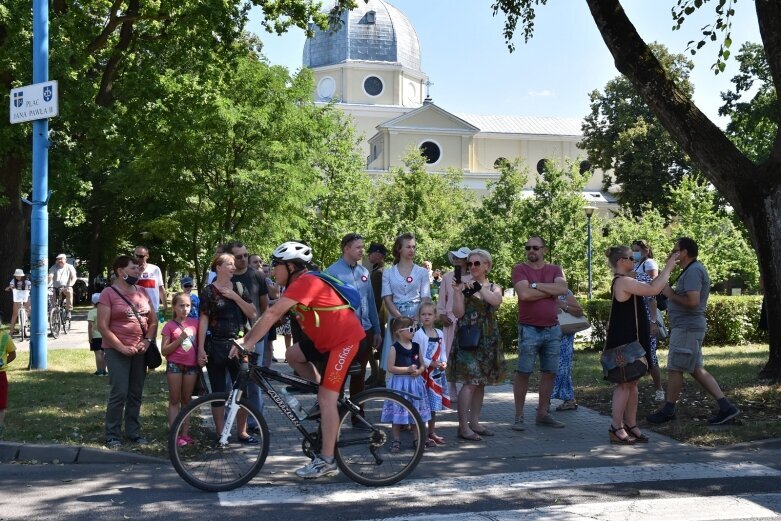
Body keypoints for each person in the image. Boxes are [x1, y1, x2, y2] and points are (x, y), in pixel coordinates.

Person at [235, 241, 365, 479]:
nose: (272, 270)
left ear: (292, 266)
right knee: (293, 356)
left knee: (327, 398)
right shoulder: (296, 283)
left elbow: (274, 313)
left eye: (276, 265)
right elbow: (272, 314)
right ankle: (325, 398)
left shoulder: (306, 282)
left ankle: (327, 460)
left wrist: (247, 343)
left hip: (343, 341)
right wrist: (249, 337)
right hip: (324, 341)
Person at [647, 237, 741, 425]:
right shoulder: (689, 271)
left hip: (687, 327)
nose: (671, 253)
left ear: (684, 253)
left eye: (675, 250)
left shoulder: (693, 272)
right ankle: (726, 407)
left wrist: (671, 294)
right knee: (696, 369)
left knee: (675, 368)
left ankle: (668, 409)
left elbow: (693, 302)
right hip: (686, 327)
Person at [604, 246, 677, 444]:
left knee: (633, 383)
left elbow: (651, 287)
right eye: (630, 258)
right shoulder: (623, 281)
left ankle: (631, 424)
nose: (634, 260)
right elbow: (653, 289)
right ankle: (616, 427)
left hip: (633, 340)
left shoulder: (628, 279)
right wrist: (669, 266)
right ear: (621, 261)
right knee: (624, 384)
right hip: (625, 342)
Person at [98, 255, 159, 450]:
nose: (138, 271)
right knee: (119, 392)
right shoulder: (108, 293)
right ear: (120, 271)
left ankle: (133, 432)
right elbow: (102, 326)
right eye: (134, 268)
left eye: (138, 268)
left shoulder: (142, 292)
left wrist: (147, 341)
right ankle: (112, 434)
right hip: (117, 351)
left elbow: (153, 321)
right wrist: (121, 347)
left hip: (140, 350)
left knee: (135, 393)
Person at [197, 253, 257, 443]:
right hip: (216, 346)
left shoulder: (239, 288)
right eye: (229, 264)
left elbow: (252, 313)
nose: (233, 267)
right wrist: (200, 349)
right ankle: (221, 433)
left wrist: (235, 297)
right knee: (218, 391)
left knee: (242, 390)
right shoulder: (208, 291)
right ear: (218, 267)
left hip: (238, 345)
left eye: (233, 264)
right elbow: (204, 321)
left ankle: (242, 432)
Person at [511, 236, 569, 430]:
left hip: (552, 329)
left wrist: (535, 285)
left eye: (535, 247)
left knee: (550, 372)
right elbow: (524, 294)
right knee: (523, 372)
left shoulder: (555, 269)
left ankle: (542, 414)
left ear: (544, 249)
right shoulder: (520, 269)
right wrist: (549, 291)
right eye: (528, 247)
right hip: (529, 328)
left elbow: (562, 288)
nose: (531, 251)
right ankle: (519, 417)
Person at [449, 248, 505, 441]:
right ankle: (463, 426)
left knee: (480, 383)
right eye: (470, 263)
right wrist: (458, 293)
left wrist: (478, 287)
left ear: (487, 266)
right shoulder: (462, 286)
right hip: (468, 339)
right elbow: (458, 313)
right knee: (470, 382)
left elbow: (496, 301)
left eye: (476, 263)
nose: (472, 267)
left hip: (488, 339)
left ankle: (474, 423)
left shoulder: (494, 287)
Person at [326, 233, 381, 407]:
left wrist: (377, 329)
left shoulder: (364, 271)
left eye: (362, 247)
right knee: (339, 376)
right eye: (358, 247)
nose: (362, 250)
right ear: (346, 248)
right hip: (343, 335)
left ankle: (358, 416)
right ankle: (334, 415)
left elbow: (371, 302)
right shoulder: (331, 272)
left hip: (365, 331)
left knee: (359, 375)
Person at [380, 233, 431, 371]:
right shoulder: (388, 273)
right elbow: (387, 298)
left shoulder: (422, 272)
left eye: (414, 247)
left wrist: (416, 317)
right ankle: (395, 389)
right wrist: (400, 319)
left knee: (416, 357)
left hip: (416, 317)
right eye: (408, 247)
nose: (412, 250)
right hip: (396, 316)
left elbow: (425, 297)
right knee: (396, 356)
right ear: (399, 249)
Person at [383, 316, 431, 452]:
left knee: (415, 413)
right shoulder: (395, 348)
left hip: (414, 384)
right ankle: (396, 440)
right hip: (399, 385)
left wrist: (420, 371)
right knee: (397, 415)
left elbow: (422, 364)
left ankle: (417, 438)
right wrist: (407, 370)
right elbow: (390, 367)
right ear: (399, 332)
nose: (414, 331)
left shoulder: (416, 346)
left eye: (415, 328)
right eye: (411, 329)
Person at [161, 292, 199, 447]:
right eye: (181, 305)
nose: (185, 309)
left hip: (191, 366)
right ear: (174, 307)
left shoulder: (195, 323)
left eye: (188, 305)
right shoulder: (169, 326)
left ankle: (185, 433)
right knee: (175, 399)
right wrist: (180, 338)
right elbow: (164, 350)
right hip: (174, 365)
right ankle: (175, 434)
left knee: (187, 400)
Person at [437, 246, 472, 405]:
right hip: (450, 321)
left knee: (466, 355)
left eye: (461, 257)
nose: (457, 260)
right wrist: (442, 314)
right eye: (455, 257)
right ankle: (449, 388)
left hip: (468, 322)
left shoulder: (473, 277)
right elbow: (441, 299)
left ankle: (466, 388)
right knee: (448, 353)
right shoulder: (447, 277)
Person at [413, 299, 449, 446]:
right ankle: (421, 434)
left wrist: (444, 362)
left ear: (435, 316)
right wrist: (429, 363)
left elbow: (443, 350)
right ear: (419, 316)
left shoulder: (439, 333)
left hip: (436, 375)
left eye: (429, 314)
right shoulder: (418, 334)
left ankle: (431, 431)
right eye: (423, 314)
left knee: (433, 405)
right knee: (422, 405)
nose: (426, 317)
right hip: (423, 375)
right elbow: (416, 354)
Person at [631, 240, 664, 402]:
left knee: (651, 355)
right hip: (633, 320)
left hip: (646, 318)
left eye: (637, 250)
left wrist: (652, 322)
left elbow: (653, 294)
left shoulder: (647, 266)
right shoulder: (630, 270)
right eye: (632, 251)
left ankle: (659, 389)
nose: (634, 254)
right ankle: (632, 389)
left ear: (645, 250)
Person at [551, 290, 584, 411]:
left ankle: (547, 400)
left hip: (564, 335)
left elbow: (579, 311)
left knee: (561, 368)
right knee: (549, 368)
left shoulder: (565, 293)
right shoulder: (541, 291)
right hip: (547, 334)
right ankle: (568, 399)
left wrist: (562, 304)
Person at [366, 242, 388, 387]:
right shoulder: (376, 271)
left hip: (376, 316)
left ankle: (379, 376)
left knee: (376, 347)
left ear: (379, 255)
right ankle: (376, 374)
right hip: (375, 316)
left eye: (371, 252)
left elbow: (376, 298)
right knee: (372, 347)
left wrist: (374, 318)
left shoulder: (379, 273)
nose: (368, 255)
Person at [133, 246, 167, 315]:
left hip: (153, 308)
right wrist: (139, 274)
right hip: (137, 309)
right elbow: (129, 287)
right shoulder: (131, 269)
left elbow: (161, 288)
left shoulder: (155, 269)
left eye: (141, 256)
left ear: (147, 256)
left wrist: (165, 305)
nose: (138, 258)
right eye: (136, 256)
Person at [0, 329, 17, 439]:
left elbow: (12, 354)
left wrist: (4, 362)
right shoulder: (5, 336)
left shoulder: (5, 337)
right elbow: (12, 354)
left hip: (0, 375)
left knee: (1, 404)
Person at [87, 293, 107, 376]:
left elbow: (90, 326)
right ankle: (104, 370)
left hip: (95, 335)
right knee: (104, 353)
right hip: (105, 335)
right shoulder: (106, 311)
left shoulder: (91, 312)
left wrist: (90, 337)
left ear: (93, 302)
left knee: (98, 354)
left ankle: (99, 371)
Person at [6, 269, 31, 336]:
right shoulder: (13, 281)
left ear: (22, 275)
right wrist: (10, 288)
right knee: (15, 314)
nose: (18, 277)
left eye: (19, 275)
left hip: (25, 297)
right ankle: (11, 331)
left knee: (29, 310)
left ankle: (31, 326)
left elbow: (29, 287)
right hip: (17, 298)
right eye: (16, 275)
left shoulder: (26, 281)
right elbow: (11, 287)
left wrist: (28, 288)